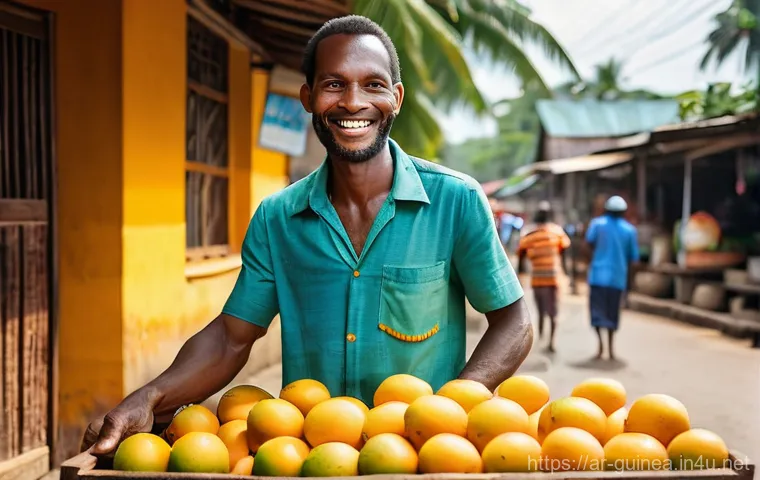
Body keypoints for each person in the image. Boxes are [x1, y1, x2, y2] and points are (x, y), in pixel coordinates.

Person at [81, 15, 532, 455]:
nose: (353, 101)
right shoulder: (277, 218)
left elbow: (513, 321)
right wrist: (152, 396)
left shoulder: (456, 201)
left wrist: (456, 404)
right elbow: (231, 338)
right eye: (334, 84)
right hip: (306, 459)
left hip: (424, 458)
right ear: (308, 97)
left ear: (395, 97)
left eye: (372, 84)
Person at [585, 195, 639, 360]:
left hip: (598, 276)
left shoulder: (597, 224)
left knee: (597, 313)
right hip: (617, 278)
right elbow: (633, 259)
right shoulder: (629, 230)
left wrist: (593, 260)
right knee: (612, 314)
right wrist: (630, 283)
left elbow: (587, 244)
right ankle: (610, 346)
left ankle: (601, 345)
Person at [517, 201, 571, 353]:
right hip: (553, 278)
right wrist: (566, 274)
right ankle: (551, 341)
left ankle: (541, 339)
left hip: (537, 278)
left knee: (541, 311)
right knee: (553, 311)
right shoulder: (557, 232)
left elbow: (521, 255)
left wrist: (519, 276)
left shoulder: (529, 235)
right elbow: (564, 254)